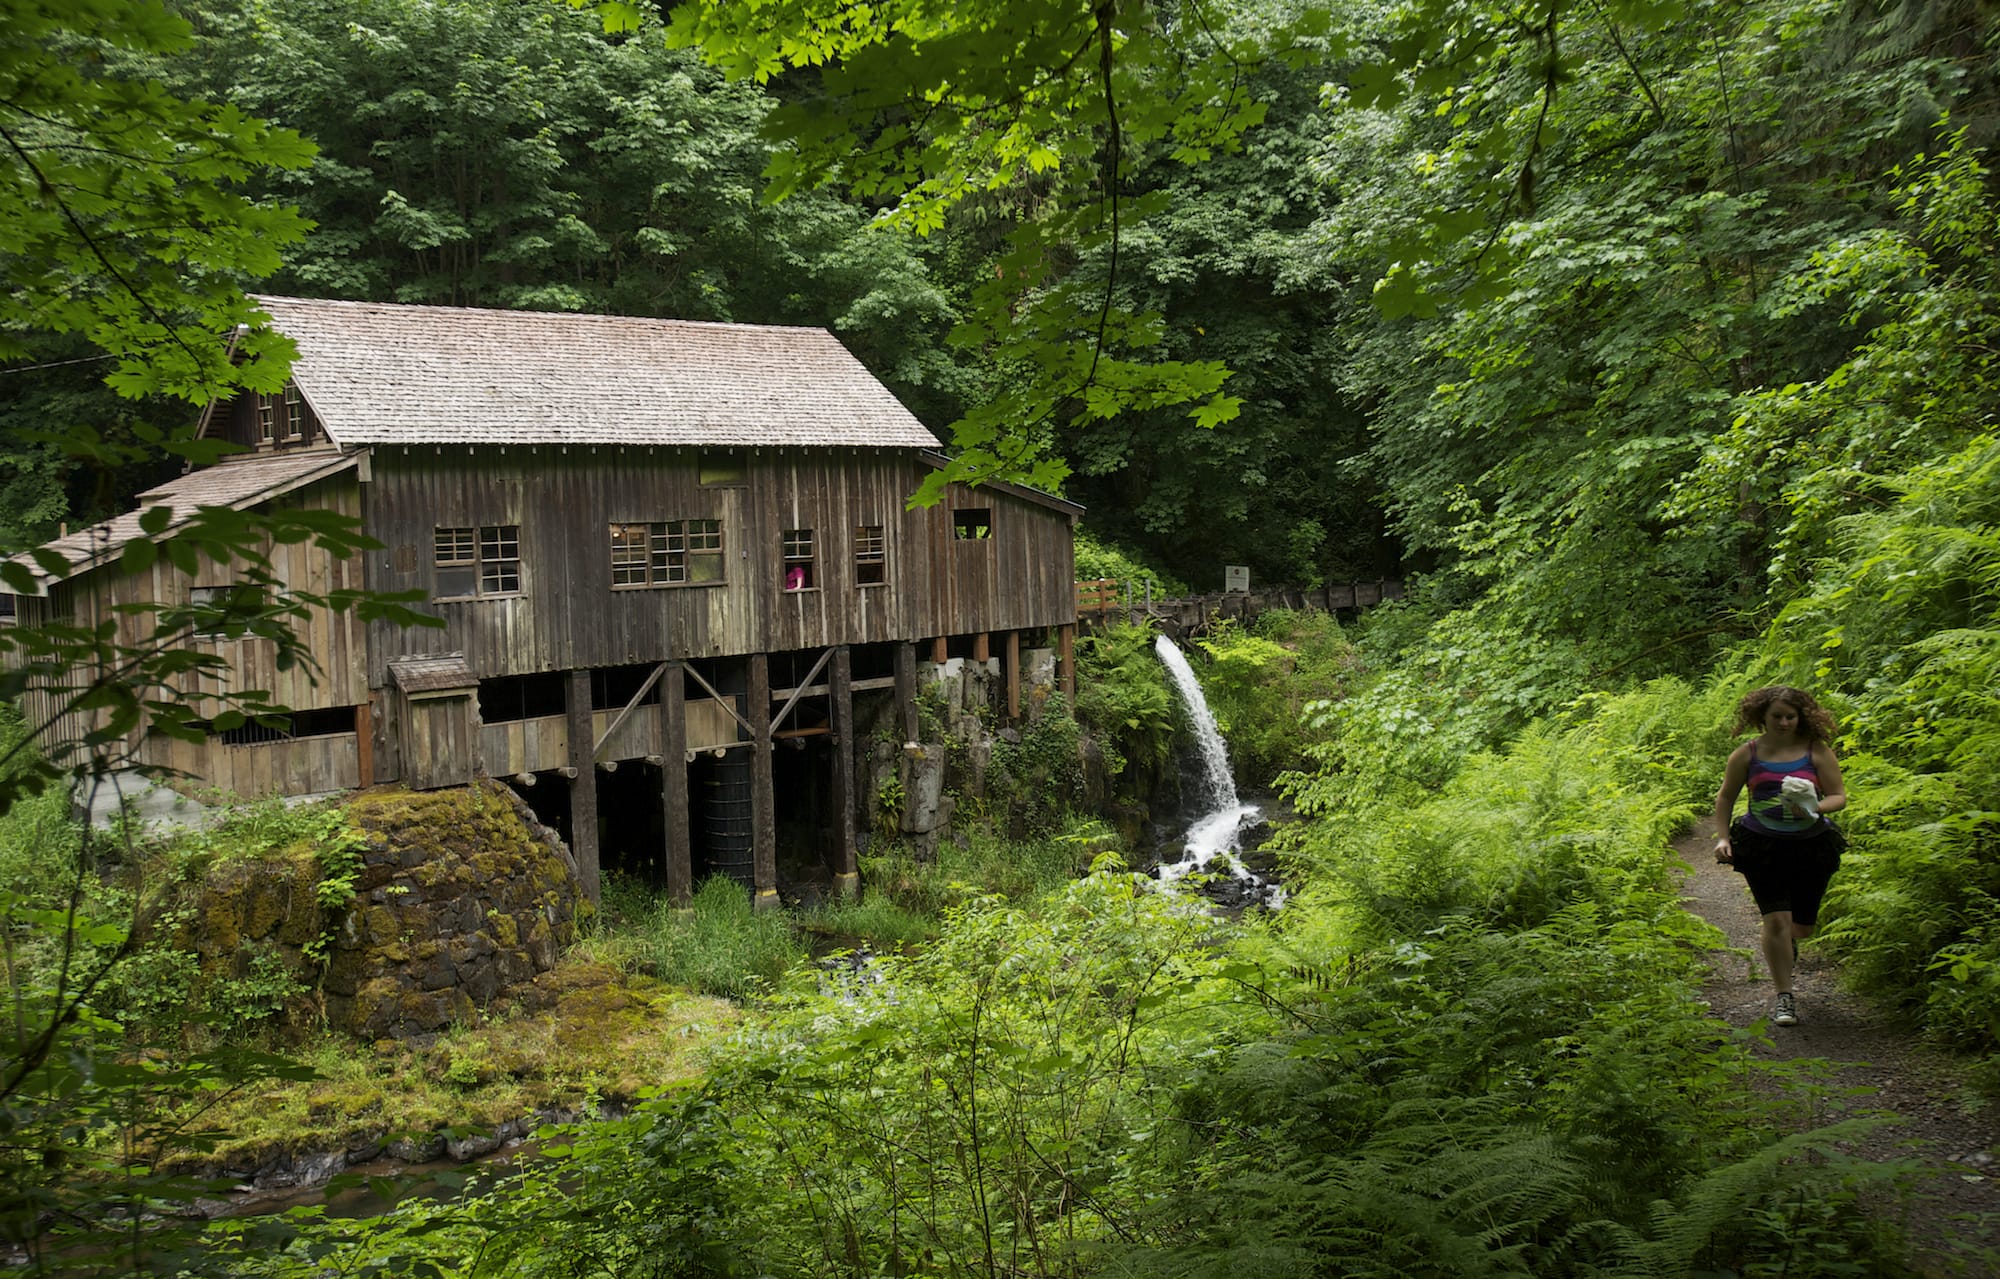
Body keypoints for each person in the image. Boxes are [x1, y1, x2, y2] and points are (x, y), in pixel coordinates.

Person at [1712, 685, 1848, 1028]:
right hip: (1762, 845)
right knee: (1775, 921)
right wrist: (1723, 838)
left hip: (1811, 846)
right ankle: (1784, 996)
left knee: (1800, 928)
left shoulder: (1816, 751)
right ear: (1762, 717)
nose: (1784, 722)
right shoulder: (1747, 754)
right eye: (1777, 716)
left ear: (1801, 717)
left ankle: (1787, 943)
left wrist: (1813, 807)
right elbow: (1726, 798)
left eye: (1791, 716)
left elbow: (1838, 796)